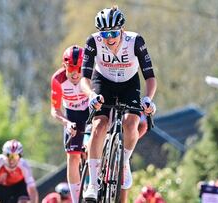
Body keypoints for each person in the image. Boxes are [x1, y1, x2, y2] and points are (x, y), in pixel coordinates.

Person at [80, 5, 157, 202]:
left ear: (121, 30)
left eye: (113, 33)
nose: (109, 38)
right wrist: (91, 96)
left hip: (128, 84)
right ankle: (93, 183)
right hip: (102, 82)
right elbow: (84, 79)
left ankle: (124, 162)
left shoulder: (135, 41)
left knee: (131, 123)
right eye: (104, 33)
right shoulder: (93, 42)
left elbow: (149, 76)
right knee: (99, 125)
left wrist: (148, 99)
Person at [50, 45, 89, 203]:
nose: (75, 73)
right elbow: (55, 110)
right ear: (64, 66)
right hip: (72, 116)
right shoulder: (58, 80)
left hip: (90, 113)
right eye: (71, 68)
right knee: (73, 157)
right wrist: (66, 123)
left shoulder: (90, 75)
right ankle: (76, 199)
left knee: (94, 144)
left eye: (79, 68)